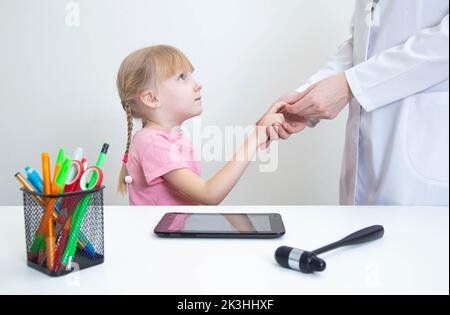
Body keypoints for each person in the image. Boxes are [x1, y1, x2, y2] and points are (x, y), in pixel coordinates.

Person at [269, 0, 449, 205]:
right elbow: (362, 44)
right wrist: (305, 97)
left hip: (424, 160)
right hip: (367, 155)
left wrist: (352, 85)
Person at [116, 45, 285, 205]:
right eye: (182, 77)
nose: (198, 85)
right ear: (152, 98)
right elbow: (208, 195)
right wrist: (255, 137)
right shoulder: (152, 143)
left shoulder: (170, 137)